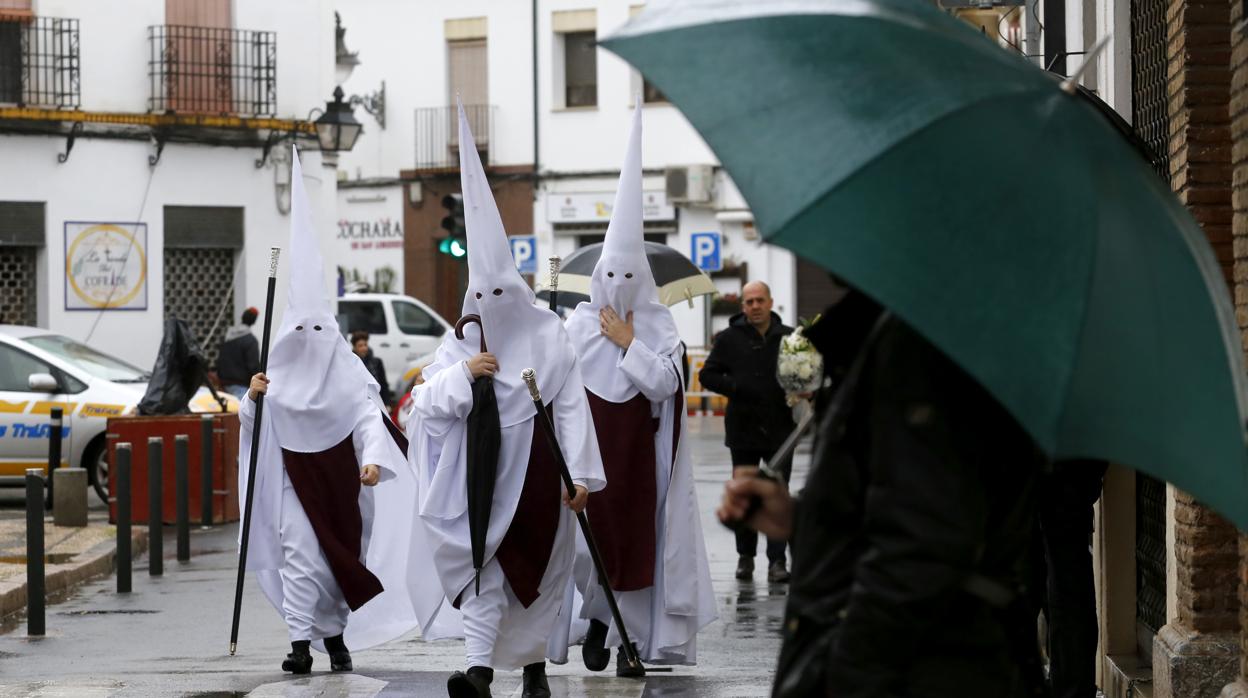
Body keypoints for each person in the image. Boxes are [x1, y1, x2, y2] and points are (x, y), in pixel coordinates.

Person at [717, 291, 1047, 697]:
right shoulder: (883, 334)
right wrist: (802, 519)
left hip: (922, 668)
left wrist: (843, 672)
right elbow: (898, 502)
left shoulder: (923, 347)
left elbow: (921, 547)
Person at [406, 105, 605, 698]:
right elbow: (424, 405)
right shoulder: (461, 342)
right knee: (485, 572)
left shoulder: (550, 336)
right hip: (482, 481)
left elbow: (571, 409)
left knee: (541, 575)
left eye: (501, 292)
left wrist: (583, 476)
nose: (492, 305)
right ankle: (477, 672)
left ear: (516, 291)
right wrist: (466, 374)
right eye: (481, 295)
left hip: (541, 478)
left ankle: (536, 672)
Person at [237, 148, 420, 675]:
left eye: (321, 331)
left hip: (344, 482)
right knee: (300, 555)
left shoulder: (349, 373)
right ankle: (299, 643)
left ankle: (335, 635)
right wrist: (252, 397)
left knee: (341, 559)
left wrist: (372, 460)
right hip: (295, 480)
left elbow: (368, 416)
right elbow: (253, 429)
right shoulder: (273, 380)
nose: (312, 342)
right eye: (303, 331)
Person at [562, 104, 716, 675]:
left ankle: (632, 645)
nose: (619, 286)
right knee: (589, 547)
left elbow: (664, 387)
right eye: (611, 276)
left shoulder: (658, 328)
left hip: (641, 460)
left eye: (631, 276)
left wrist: (629, 342)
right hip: (588, 459)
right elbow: (553, 383)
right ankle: (599, 619)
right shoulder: (575, 326)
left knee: (640, 548)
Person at [699, 280, 796, 583]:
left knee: (776, 493)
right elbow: (707, 374)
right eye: (749, 301)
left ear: (770, 302)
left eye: (759, 301)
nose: (754, 306)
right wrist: (737, 387)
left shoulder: (791, 338)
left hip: (781, 430)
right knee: (744, 495)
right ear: (742, 306)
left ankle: (777, 562)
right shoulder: (728, 338)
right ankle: (745, 559)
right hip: (743, 429)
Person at [1034, 459, 1107, 698]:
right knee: (1065, 591)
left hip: (1063, 478)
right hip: (1063, 477)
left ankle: (1071, 689)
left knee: (1067, 594)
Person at [217, 307, 260, 399]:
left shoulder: (227, 336)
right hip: (241, 387)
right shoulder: (250, 340)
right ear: (254, 321)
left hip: (224, 386)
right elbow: (253, 367)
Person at [350, 330, 394, 407]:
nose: (364, 348)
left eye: (365, 345)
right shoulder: (351, 363)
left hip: (376, 402)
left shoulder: (377, 362)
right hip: (358, 403)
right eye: (360, 346)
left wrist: (387, 404)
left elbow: (383, 384)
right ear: (354, 347)